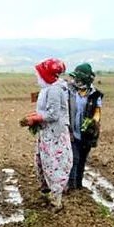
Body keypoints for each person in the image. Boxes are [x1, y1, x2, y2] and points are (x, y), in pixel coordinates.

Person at [19, 58, 72, 210]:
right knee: (43, 163)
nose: (37, 77)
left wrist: (35, 119)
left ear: (46, 75)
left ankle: (56, 200)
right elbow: (44, 110)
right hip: (46, 133)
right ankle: (48, 194)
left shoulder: (55, 89)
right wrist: (33, 115)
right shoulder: (48, 88)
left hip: (54, 135)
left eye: (39, 74)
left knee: (54, 165)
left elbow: (53, 115)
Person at [66, 63, 103, 191]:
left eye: (78, 78)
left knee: (82, 159)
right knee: (74, 158)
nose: (75, 81)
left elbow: (97, 111)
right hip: (71, 131)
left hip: (87, 132)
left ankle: (79, 184)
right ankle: (71, 185)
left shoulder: (95, 94)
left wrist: (94, 121)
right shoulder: (69, 91)